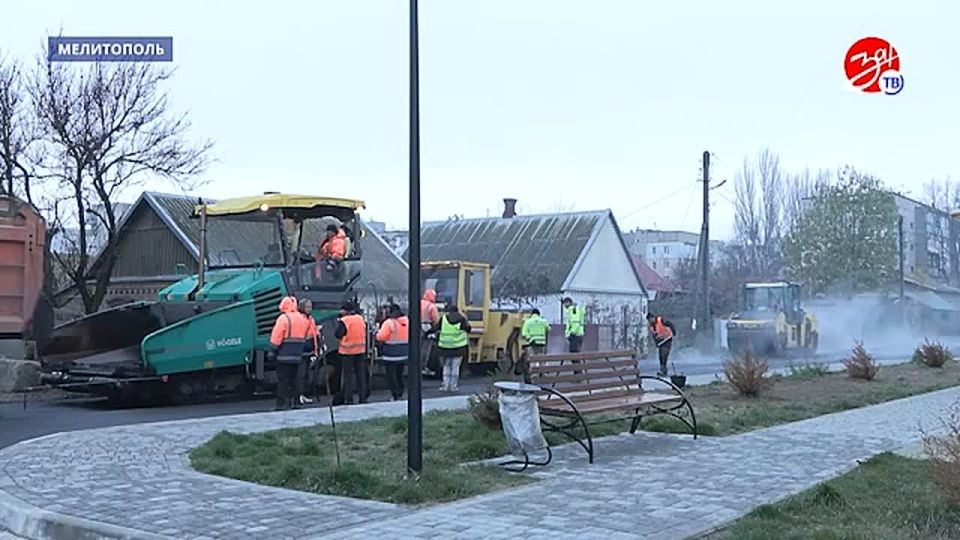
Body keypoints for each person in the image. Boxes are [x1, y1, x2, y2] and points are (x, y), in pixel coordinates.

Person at [268, 296, 311, 411]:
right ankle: (296, 402)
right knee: (295, 380)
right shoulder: (303, 319)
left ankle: (282, 404)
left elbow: (277, 336)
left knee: (283, 381)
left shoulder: (283, 318)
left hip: (284, 355)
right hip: (298, 355)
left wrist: (272, 350)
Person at [335, 301, 368, 404]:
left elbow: (338, 334)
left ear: (345, 310)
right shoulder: (360, 319)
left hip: (347, 351)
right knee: (360, 376)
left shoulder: (344, 321)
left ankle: (349, 399)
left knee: (348, 377)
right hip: (361, 350)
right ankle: (363, 398)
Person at [434, 303, 471, 392]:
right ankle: (453, 386)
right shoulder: (462, 319)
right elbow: (468, 329)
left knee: (446, 366)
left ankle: (445, 385)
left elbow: (435, 328)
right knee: (455, 366)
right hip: (458, 348)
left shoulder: (443, 319)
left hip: (444, 347)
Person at [376, 303, 409, 400]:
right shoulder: (408, 321)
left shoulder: (389, 323)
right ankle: (401, 392)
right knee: (399, 374)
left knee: (391, 376)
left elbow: (381, 337)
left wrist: (376, 334)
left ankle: (396, 394)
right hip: (404, 353)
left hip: (391, 354)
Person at [297, 298, 321, 406]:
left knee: (306, 374)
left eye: (310, 306)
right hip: (302, 349)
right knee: (301, 374)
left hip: (309, 349)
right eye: (307, 306)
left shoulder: (310, 319)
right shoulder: (300, 319)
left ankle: (304, 394)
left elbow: (313, 332)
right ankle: (299, 394)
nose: (310, 309)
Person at [647, 312, 677, 377]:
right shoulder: (652, 326)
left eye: (650, 319)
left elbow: (670, 324)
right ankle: (663, 370)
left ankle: (664, 371)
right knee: (661, 356)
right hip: (661, 341)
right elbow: (654, 335)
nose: (650, 321)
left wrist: (674, 332)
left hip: (667, 339)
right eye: (649, 321)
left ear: (653, 317)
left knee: (664, 355)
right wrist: (656, 343)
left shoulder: (661, 320)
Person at [420, 288, 440, 376]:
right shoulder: (432, 306)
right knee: (426, 349)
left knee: (417, 348)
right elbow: (436, 320)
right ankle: (423, 367)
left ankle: (416, 366)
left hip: (416, 328)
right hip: (427, 327)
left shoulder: (418, 303)